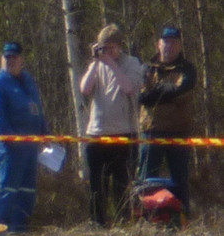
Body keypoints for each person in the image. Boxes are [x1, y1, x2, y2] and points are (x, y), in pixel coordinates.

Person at [77, 24, 143, 225]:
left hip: (124, 132)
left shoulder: (131, 63)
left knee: (121, 183)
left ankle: (123, 221)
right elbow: (85, 89)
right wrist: (96, 63)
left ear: (119, 46)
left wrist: (112, 64)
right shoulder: (96, 65)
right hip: (97, 132)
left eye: (112, 47)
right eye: (105, 47)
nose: (109, 51)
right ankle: (97, 222)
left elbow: (129, 87)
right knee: (97, 182)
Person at [0, 40, 47, 232]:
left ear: (21, 59)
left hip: (30, 146)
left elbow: (37, 109)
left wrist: (44, 134)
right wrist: (11, 140)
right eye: (7, 57)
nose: (10, 60)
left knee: (27, 190)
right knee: (8, 190)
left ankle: (20, 228)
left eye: (14, 57)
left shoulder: (27, 80)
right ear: (1, 59)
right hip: (10, 147)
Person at [138, 24, 199, 215]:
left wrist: (155, 92)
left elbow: (182, 91)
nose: (168, 46)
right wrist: (166, 93)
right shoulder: (147, 68)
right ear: (158, 44)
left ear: (179, 46)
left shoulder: (187, 69)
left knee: (180, 180)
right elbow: (142, 97)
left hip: (178, 132)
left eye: (173, 42)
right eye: (165, 42)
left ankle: (182, 219)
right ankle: (147, 219)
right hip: (151, 131)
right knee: (147, 181)